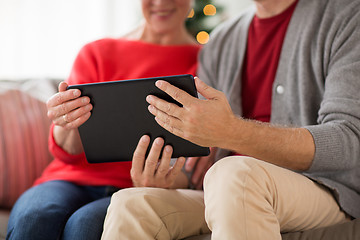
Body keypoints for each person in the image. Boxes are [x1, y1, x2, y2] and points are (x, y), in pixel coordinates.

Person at [101, 0, 360, 239]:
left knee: (235, 175)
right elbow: (202, 162)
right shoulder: (222, 40)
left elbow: (348, 143)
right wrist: (165, 178)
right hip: (229, 187)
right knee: (132, 203)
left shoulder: (347, 15)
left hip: (325, 187)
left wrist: (231, 131)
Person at [6, 0, 200, 239]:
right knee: (34, 218)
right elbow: (68, 150)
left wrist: (165, 182)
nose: (160, 2)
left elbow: (197, 165)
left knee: (84, 226)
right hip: (67, 179)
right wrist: (65, 121)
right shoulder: (98, 52)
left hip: (134, 189)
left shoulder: (205, 62)